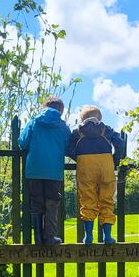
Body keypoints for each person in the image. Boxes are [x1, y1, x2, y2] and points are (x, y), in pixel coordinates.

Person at [66, 105, 126, 244]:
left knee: (87, 200)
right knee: (107, 200)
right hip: (105, 166)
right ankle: (108, 236)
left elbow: (68, 148)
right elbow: (120, 144)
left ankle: (88, 236)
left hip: (86, 168)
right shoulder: (106, 129)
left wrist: (79, 158)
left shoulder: (77, 132)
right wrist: (114, 159)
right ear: (100, 118)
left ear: (82, 118)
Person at [18, 95, 71, 245]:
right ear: (60, 110)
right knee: (52, 203)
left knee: (36, 203)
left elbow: (22, 143)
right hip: (54, 171)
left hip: (34, 169)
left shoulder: (34, 122)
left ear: (44, 107)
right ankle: (50, 237)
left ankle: (38, 238)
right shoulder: (62, 126)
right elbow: (68, 147)